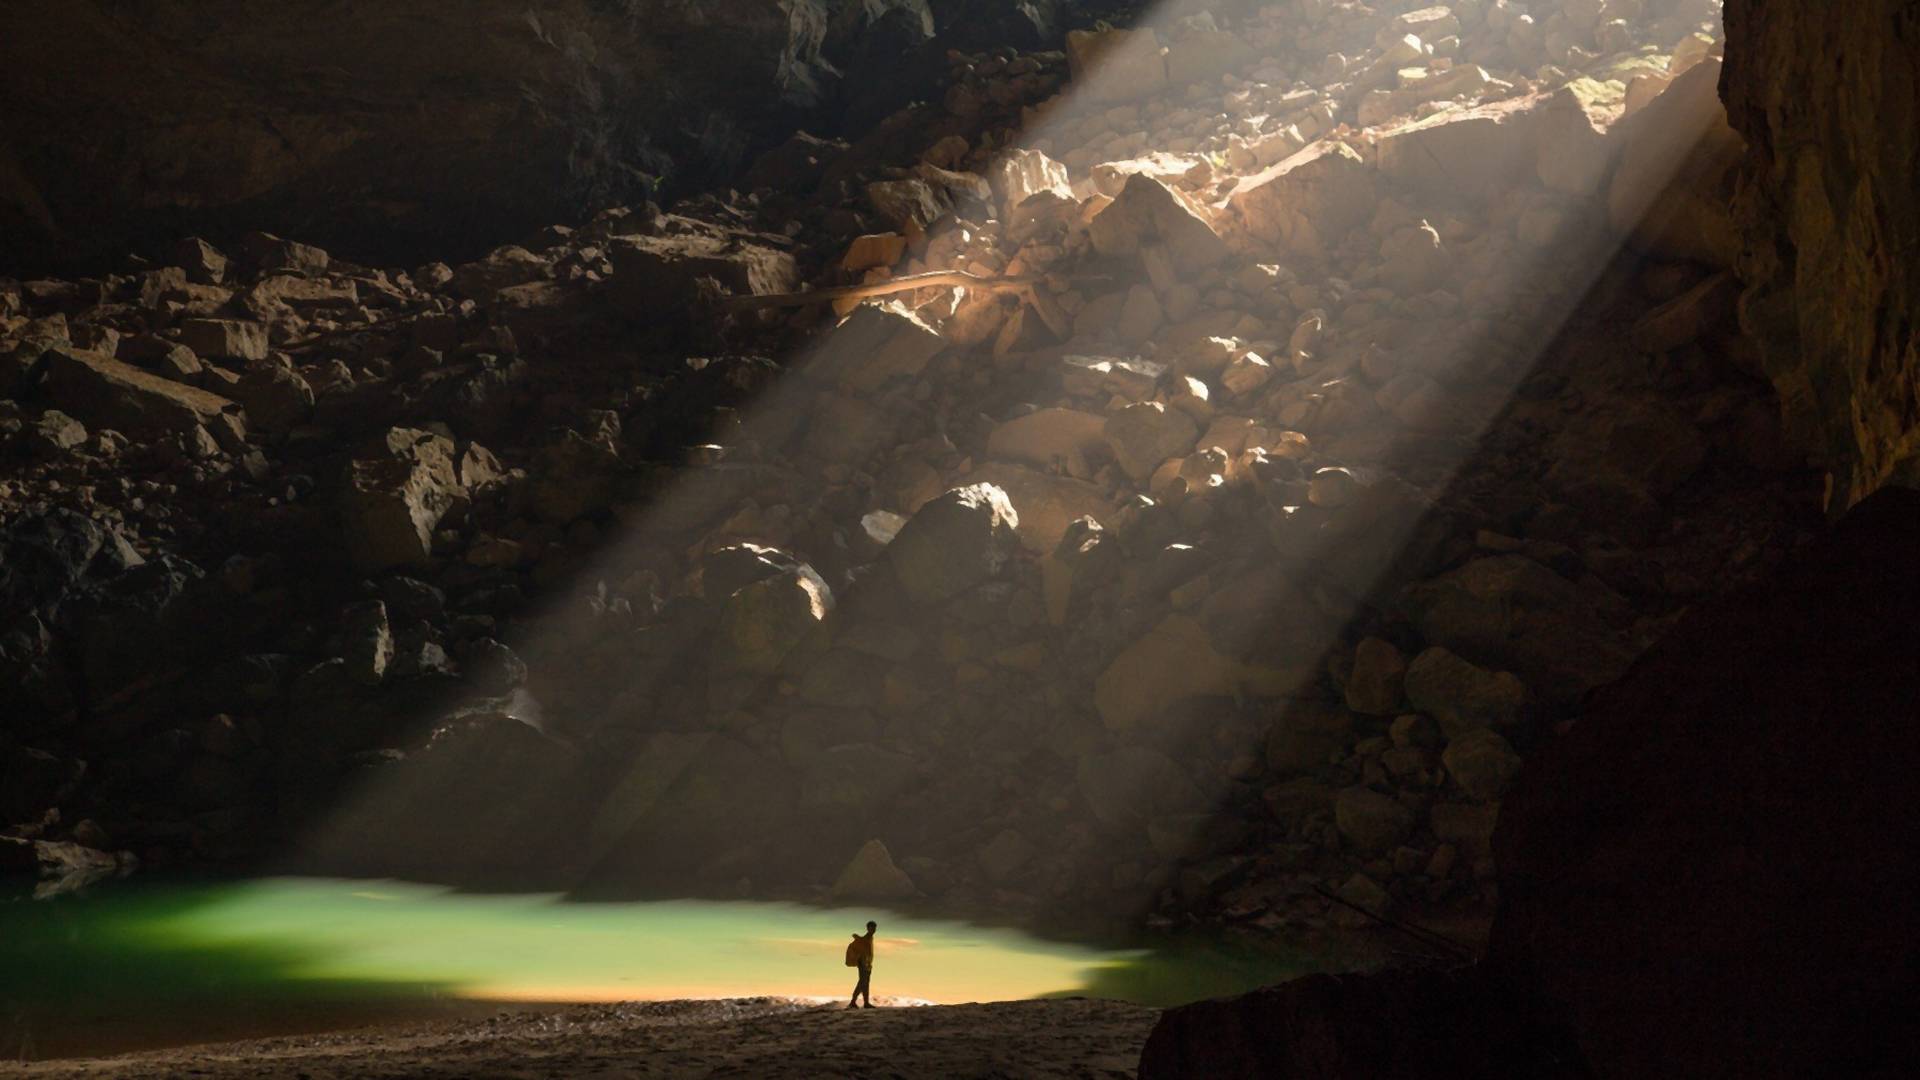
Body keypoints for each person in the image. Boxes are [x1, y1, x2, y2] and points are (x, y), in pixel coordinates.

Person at [848, 920, 877, 1008]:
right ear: (868, 928)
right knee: (862, 982)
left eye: (874, 928)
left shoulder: (870, 938)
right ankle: (853, 1002)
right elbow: (860, 944)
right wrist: (857, 938)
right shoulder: (866, 938)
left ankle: (866, 1003)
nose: (873, 930)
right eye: (871, 928)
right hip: (863, 964)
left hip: (867, 964)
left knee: (865, 983)